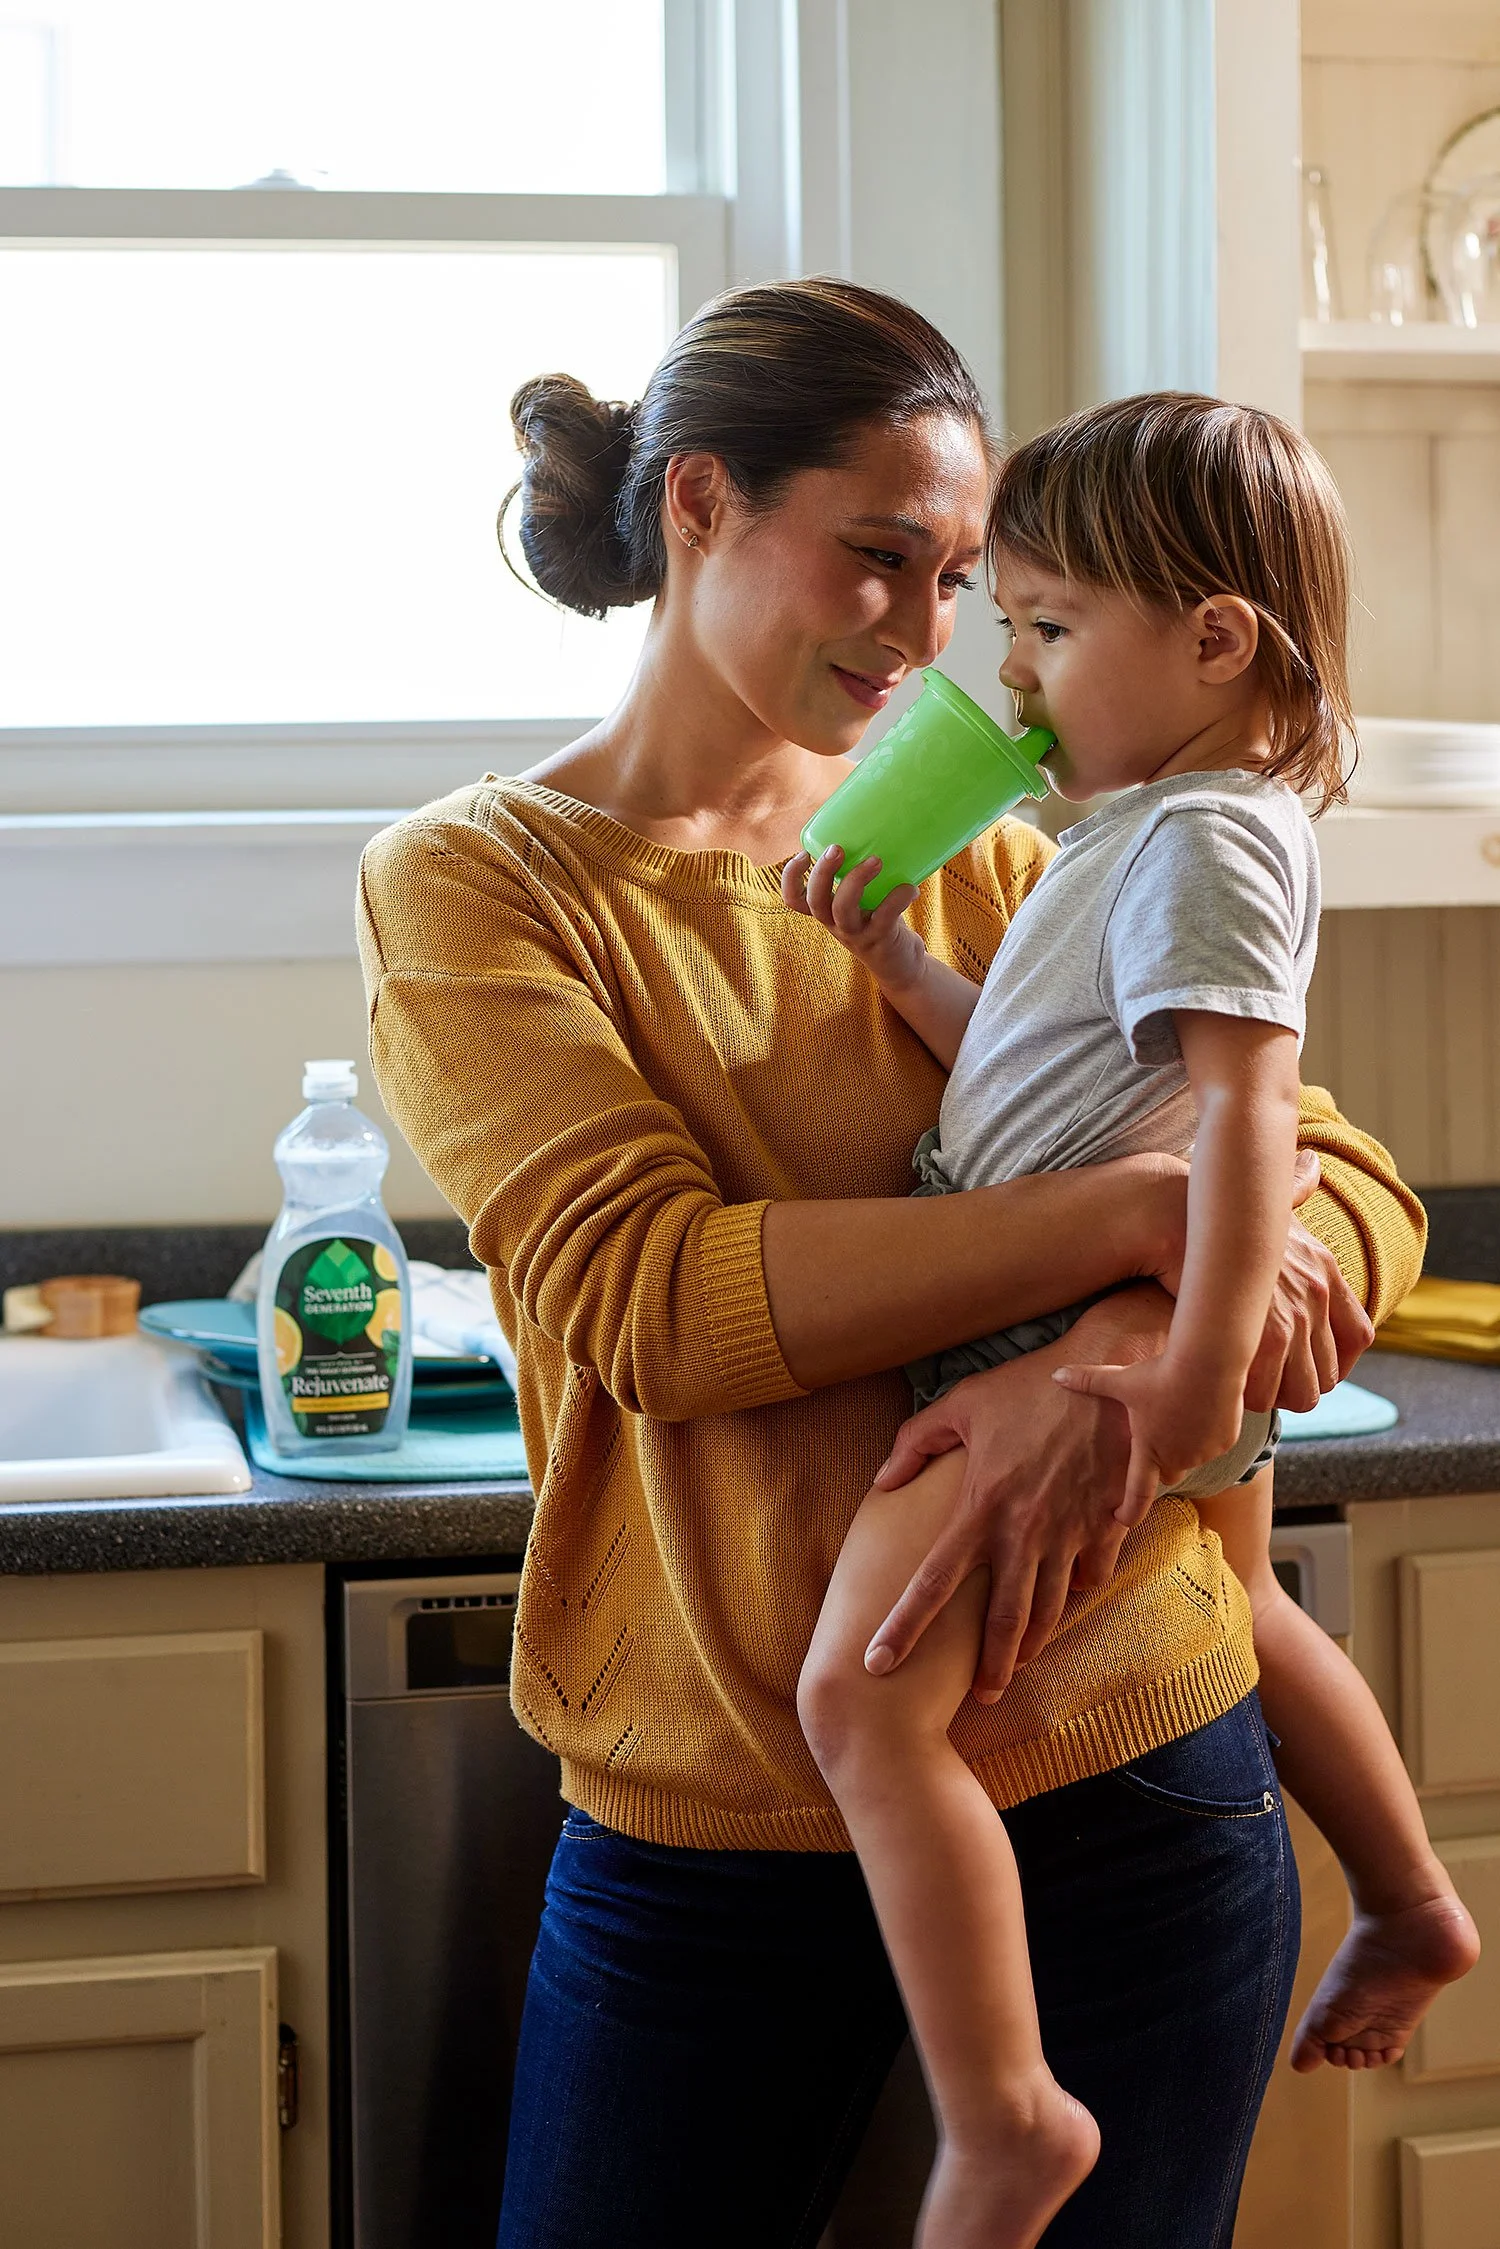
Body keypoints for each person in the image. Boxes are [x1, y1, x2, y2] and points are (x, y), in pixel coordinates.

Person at [356, 279, 1425, 2249]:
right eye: (881, 559)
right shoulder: (480, 879)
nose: (936, 642)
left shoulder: (1001, 837)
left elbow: (1337, 1172)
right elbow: (659, 1307)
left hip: (1131, 1766)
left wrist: (1089, 1366)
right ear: (699, 508)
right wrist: (1125, 1228)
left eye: (966, 582)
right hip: (714, 1812)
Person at [785, 392, 1479, 2249]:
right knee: (1243, 1612)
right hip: (1120, 1317)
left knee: (861, 1697)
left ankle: (1004, 2122)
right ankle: (1412, 1900)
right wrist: (907, 968)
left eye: (1046, 628)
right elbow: (1048, 1071)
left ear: (1215, 639)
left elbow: (1249, 1110)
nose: (1007, 681)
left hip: (1092, 1344)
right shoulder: (1141, 827)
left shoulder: (1203, 839)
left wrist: (1182, 1373)